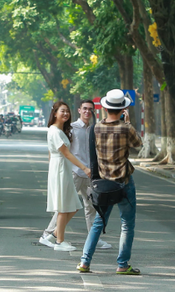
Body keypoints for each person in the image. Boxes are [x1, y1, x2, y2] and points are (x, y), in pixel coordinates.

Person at [77, 89, 143, 275]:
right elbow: (138, 143)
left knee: (98, 222)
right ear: (122, 109)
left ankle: (84, 262)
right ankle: (122, 265)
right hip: (124, 182)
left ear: (105, 108)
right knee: (127, 225)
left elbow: (93, 156)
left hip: (104, 184)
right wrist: (127, 121)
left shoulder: (95, 128)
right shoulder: (126, 128)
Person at [39, 100, 112, 250]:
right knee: (64, 205)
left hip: (90, 172)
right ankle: (49, 235)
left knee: (92, 206)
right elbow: (62, 151)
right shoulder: (69, 128)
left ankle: (94, 238)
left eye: (90, 109)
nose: (87, 111)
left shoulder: (93, 129)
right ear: (79, 110)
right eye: (84, 108)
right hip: (72, 171)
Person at [45, 101, 91, 252]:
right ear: (55, 113)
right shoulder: (54, 131)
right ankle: (60, 241)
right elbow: (66, 153)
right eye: (62, 111)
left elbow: (51, 154)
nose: (65, 114)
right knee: (64, 207)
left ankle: (54, 234)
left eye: (67, 111)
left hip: (61, 168)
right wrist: (84, 168)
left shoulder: (60, 131)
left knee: (73, 206)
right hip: (60, 169)